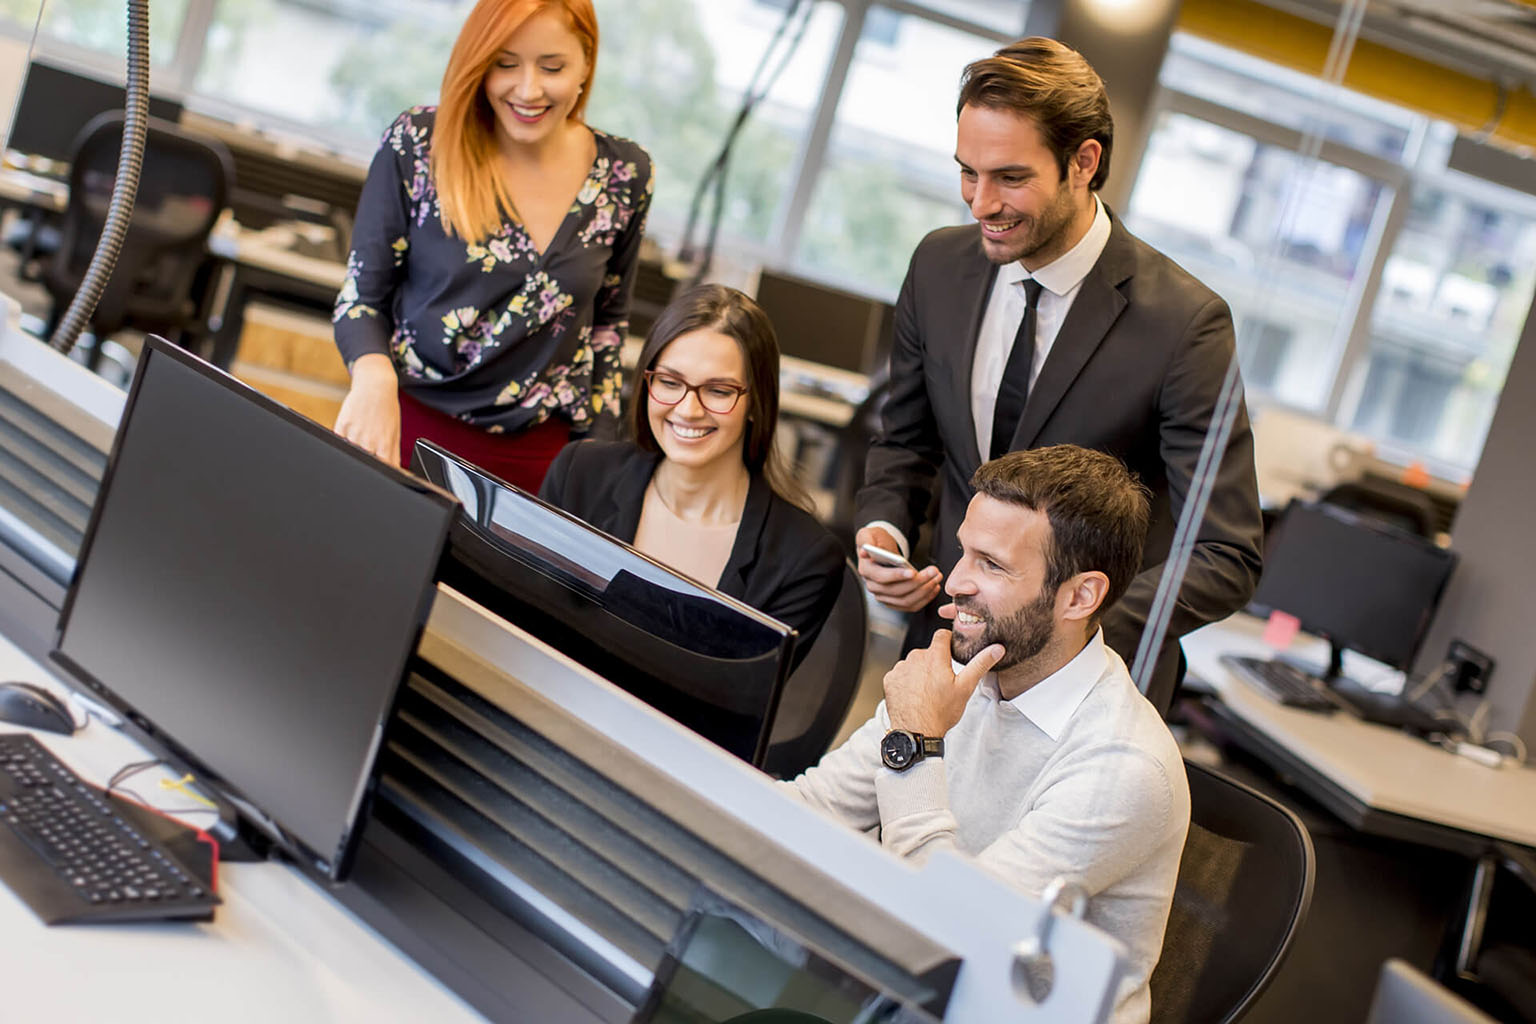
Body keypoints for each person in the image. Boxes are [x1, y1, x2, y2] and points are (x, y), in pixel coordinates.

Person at [854, 37, 1263, 714]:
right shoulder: (938, 267)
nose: (980, 204)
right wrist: (883, 534)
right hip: (942, 659)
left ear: (1084, 162)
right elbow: (904, 443)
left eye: (1010, 178)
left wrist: (1071, 633)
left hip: (1091, 695)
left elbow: (1224, 552)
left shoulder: (1186, 324)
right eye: (967, 172)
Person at [788, 445, 1190, 1024]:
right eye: (963, 554)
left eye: (992, 565)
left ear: (1080, 596)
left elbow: (949, 934)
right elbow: (811, 808)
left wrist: (917, 744)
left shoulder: (1124, 768)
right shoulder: (967, 675)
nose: (954, 583)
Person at [333, 0, 653, 492]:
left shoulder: (624, 175)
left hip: (543, 468)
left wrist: (599, 466)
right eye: (505, 64)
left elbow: (607, 330)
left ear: (586, 63)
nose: (528, 90)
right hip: (405, 433)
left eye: (553, 67)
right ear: (478, 63)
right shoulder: (420, 145)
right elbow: (361, 299)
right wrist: (373, 378)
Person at [540, 284, 844, 668]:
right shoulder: (580, 473)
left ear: (757, 402)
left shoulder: (803, 559)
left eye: (718, 391)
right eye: (669, 382)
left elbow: (735, 706)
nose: (688, 409)